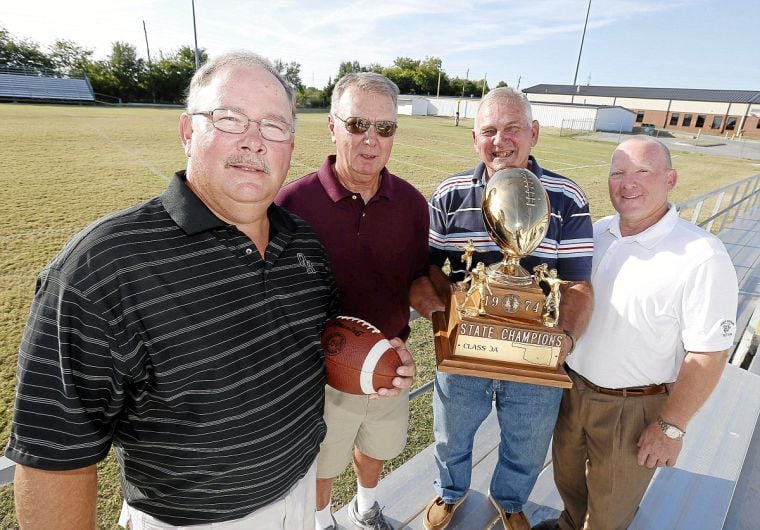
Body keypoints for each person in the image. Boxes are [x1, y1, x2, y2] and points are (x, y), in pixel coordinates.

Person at [6, 51, 341, 530]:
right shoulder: (102, 267)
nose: (254, 141)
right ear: (188, 132)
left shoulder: (304, 240)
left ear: (291, 141)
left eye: (273, 125)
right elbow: (56, 457)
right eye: (229, 118)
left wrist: (370, 361)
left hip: (303, 495)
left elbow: (317, 344)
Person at [535, 136, 738, 530]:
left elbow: (709, 354)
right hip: (571, 390)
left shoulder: (701, 255)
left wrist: (670, 427)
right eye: (618, 173)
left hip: (633, 407)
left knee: (610, 512)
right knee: (569, 481)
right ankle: (569, 524)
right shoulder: (594, 234)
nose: (628, 183)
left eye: (642, 172)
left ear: (671, 179)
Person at [420, 87, 595, 530]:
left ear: (533, 132)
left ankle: (511, 499)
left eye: (512, 128)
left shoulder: (567, 197)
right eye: (489, 131)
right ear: (475, 138)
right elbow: (424, 268)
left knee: (528, 440)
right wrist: (453, 313)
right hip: (466, 353)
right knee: (451, 433)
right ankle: (450, 490)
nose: (500, 141)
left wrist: (565, 338)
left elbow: (578, 283)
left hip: (535, 352)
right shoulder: (451, 192)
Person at [276, 72, 440, 530]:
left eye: (384, 128)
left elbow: (415, 277)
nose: (371, 139)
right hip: (320, 371)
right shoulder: (293, 203)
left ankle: (365, 508)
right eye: (357, 125)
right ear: (332, 126)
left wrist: (441, 315)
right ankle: (322, 520)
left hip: (389, 360)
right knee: (322, 461)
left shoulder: (410, 203)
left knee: (377, 447)